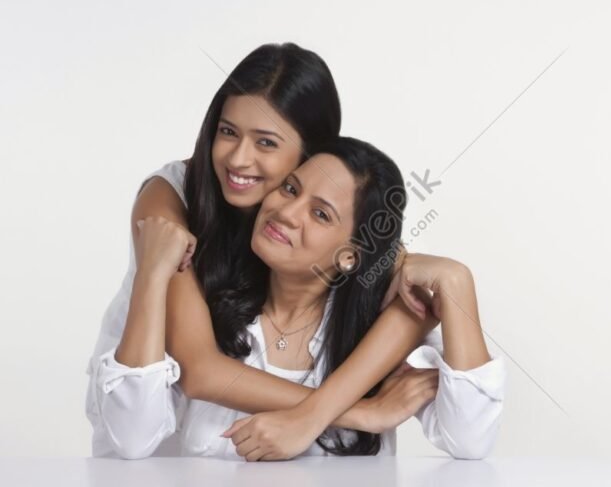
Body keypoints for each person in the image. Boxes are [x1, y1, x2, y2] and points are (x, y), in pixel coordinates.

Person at [86, 43, 437, 459]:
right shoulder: (171, 197)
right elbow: (200, 370)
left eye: (266, 143)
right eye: (228, 131)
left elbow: (409, 300)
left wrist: (316, 415)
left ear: (312, 154)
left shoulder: (315, 224)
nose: (238, 158)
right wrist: (364, 412)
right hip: (143, 444)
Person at [97, 137, 506, 460]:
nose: (287, 212)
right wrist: (355, 413)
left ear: (349, 256)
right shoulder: (203, 300)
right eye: (290, 188)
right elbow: (131, 438)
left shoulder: (384, 325)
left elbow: (470, 442)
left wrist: (457, 281)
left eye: (321, 213)